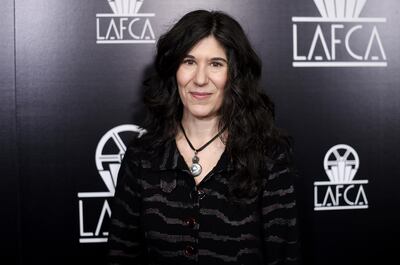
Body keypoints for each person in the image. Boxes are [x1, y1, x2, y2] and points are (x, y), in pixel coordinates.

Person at [107, 10, 300, 265]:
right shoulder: (141, 158)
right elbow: (121, 256)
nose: (200, 79)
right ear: (174, 70)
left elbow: (285, 257)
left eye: (216, 64)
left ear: (235, 75)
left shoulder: (269, 158)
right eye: (189, 61)